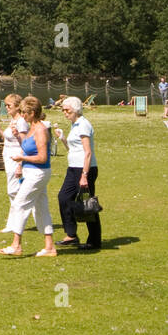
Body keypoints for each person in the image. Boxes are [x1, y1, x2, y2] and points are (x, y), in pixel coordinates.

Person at [0, 95, 56, 257]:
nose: (23, 115)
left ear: (33, 112)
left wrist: (22, 158)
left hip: (38, 173)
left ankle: (16, 244)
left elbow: (43, 157)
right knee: (41, 207)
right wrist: (18, 135)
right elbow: (27, 145)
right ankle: (49, 247)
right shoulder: (32, 127)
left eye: (25, 112)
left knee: (20, 203)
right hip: (31, 172)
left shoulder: (41, 130)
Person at [55, 97, 100, 249]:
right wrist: (62, 138)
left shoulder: (83, 125)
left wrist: (84, 176)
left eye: (66, 110)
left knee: (87, 204)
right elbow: (73, 149)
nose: (64, 113)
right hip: (73, 168)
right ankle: (71, 234)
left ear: (75, 109)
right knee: (63, 197)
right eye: (63, 110)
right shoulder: (74, 125)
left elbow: (87, 152)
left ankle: (94, 241)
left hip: (85, 169)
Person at [0, 93, 24, 233]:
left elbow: (24, 143)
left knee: (13, 191)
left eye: (9, 105)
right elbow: (8, 139)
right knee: (13, 191)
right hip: (8, 158)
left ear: (17, 107)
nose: (7, 108)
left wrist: (20, 164)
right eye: (6, 105)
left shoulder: (21, 122)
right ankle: (14, 222)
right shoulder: (13, 120)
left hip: (15, 159)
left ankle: (14, 223)